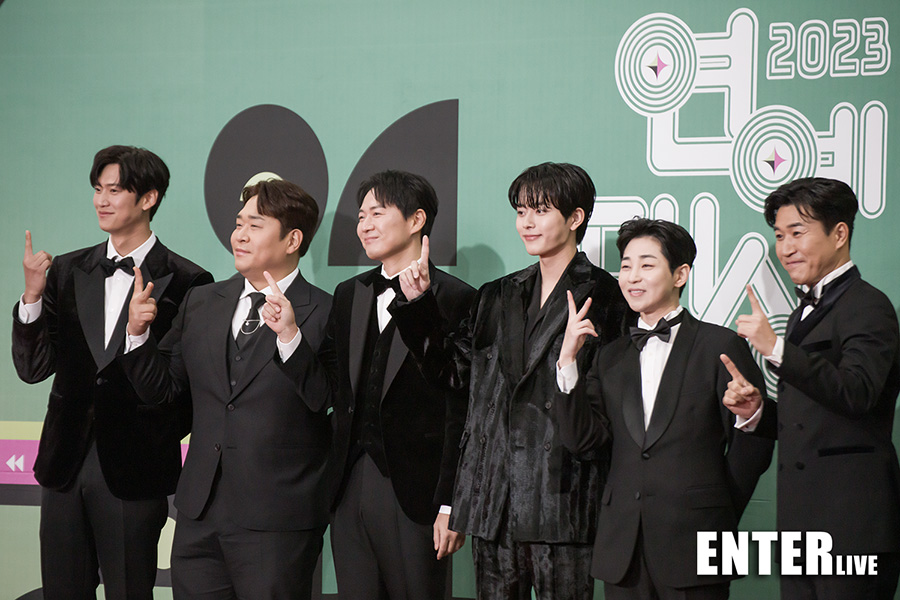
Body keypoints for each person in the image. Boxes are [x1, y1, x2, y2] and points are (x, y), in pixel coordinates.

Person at [390, 162, 630, 600]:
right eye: (521, 212)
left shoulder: (607, 295)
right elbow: (454, 375)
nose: (527, 223)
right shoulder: (496, 295)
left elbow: (613, 408)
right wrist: (420, 304)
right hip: (495, 503)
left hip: (563, 500)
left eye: (540, 211)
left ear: (575, 218)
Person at [11, 145, 213, 599]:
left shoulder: (189, 282)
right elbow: (33, 368)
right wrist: (31, 298)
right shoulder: (66, 270)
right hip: (64, 463)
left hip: (134, 471)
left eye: (115, 190)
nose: (101, 200)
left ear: (148, 198)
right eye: (98, 189)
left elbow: (180, 393)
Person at [120, 178, 332, 599]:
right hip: (199, 515)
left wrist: (290, 338)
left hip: (278, 520)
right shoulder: (201, 301)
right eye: (238, 224)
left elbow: (325, 400)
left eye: (255, 225)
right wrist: (138, 335)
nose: (240, 235)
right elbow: (164, 391)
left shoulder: (328, 309)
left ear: (293, 240)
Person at [554, 218, 773, 599]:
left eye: (647, 264)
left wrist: (717, 515)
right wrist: (567, 361)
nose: (632, 277)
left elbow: (752, 449)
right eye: (626, 266)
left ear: (680, 274)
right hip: (623, 550)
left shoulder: (719, 346)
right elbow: (581, 440)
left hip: (697, 544)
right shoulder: (610, 356)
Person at [293, 170, 475, 599]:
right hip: (349, 488)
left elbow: (461, 409)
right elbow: (326, 390)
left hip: (418, 495)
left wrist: (451, 502)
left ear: (416, 220)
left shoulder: (458, 298)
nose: (365, 225)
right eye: (361, 216)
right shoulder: (349, 293)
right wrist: (288, 338)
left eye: (378, 213)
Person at [721, 177, 900, 600]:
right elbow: (811, 419)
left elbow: (858, 392)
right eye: (779, 235)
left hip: (852, 529)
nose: (785, 248)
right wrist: (756, 412)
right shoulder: (802, 312)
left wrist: (776, 348)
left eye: (797, 233)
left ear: (839, 234)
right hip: (801, 530)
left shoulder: (868, 305)